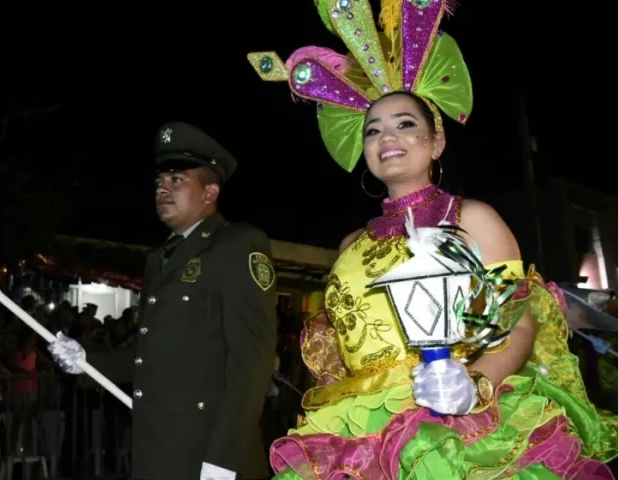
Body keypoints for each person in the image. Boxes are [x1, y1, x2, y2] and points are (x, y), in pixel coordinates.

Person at [249, 1, 618, 479]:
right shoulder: (349, 246)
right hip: (360, 434)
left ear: (436, 142)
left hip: (459, 429)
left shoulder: (472, 220)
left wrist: (472, 385)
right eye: (373, 130)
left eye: (405, 124)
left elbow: (515, 321)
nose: (387, 137)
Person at [50, 121, 278, 480]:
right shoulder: (160, 261)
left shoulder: (235, 245)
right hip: (158, 452)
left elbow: (252, 362)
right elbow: (153, 356)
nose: (162, 189)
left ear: (210, 192)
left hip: (207, 455)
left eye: (177, 180)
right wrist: (87, 361)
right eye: (159, 181)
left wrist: (223, 462)